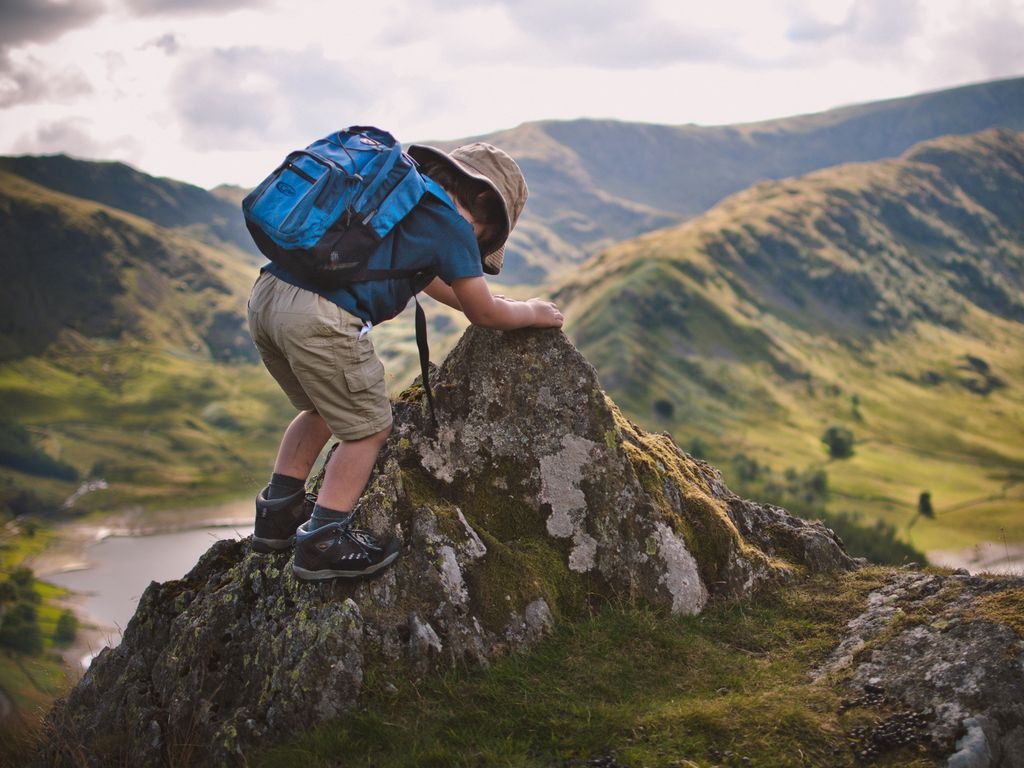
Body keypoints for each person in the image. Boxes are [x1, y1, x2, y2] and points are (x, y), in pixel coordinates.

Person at [246, 140, 563, 581]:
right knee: (369, 430)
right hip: (320, 319)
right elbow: (484, 313)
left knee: (318, 408)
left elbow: (432, 281)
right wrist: (530, 311)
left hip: (268, 298)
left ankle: (276, 514)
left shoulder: (400, 199)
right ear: (486, 213)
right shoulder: (452, 225)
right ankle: (322, 540)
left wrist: (491, 298)